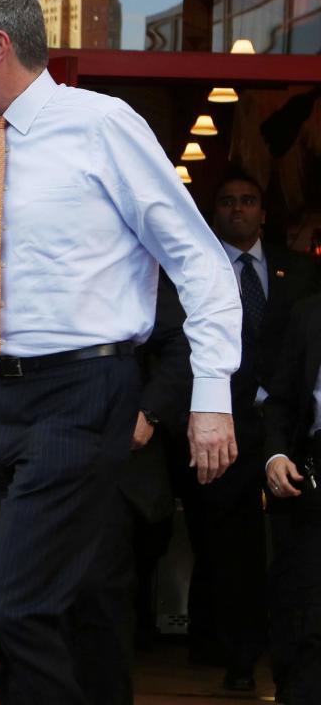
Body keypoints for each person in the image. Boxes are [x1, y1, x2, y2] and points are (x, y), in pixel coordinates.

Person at [0, 0, 242, 704]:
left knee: (18, 610)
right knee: (44, 610)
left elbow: (198, 260)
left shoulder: (102, 124)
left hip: (82, 396)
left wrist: (212, 397)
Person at [0, 278, 191, 705]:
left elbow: (183, 340)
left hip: (95, 460)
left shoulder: (110, 265)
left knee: (93, 605)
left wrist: (149, 413)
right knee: (12, 611)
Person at [181, 169, 320, 690]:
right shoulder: (196, 269)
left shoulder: (300, 273)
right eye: (227, 201)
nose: (237, 209)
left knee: (295, 551)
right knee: (228, 548)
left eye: (248, 201)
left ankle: (292, 663)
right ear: (214, 212)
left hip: (290, 429)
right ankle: (238, 659)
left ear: (264, 212)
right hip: (221, 425)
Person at [263, 294, 321, 705]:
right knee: (308, 601)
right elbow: (281, 398)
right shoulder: (309, 311)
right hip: (315, 468)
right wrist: (276, 454)